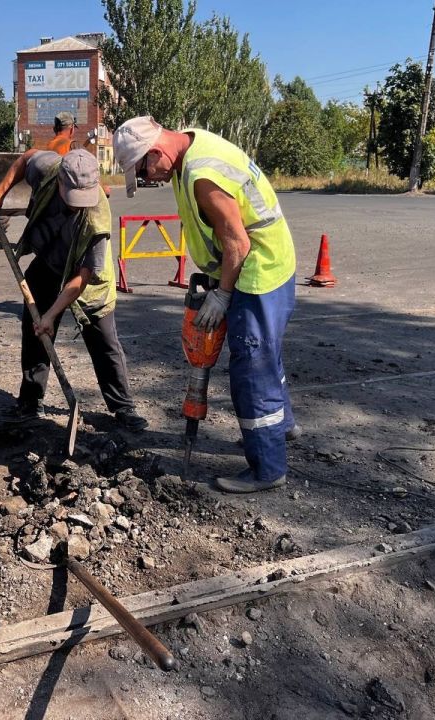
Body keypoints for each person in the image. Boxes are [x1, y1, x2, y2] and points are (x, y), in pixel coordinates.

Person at [113, 116, 299, 494]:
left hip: (258, 270)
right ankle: (281, 427)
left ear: (155, 151)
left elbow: (238, 244)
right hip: (257, 264)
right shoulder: (189, 150)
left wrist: (223, 294)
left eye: (144, 171)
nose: (149, 179)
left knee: (251, 365)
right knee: (266, 355)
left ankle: (267, 467)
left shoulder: (202, 175)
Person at [0, 149, 147, 431]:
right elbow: (26, 158)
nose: (77, 205)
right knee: (35, 332)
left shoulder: (96, 219)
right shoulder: (47, 168)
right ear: (59, 180)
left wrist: (51, 315)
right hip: (49, 262)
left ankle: (123, 407)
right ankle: (31, 402)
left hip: (87, 279)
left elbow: (82, 278)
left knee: (104, 340)